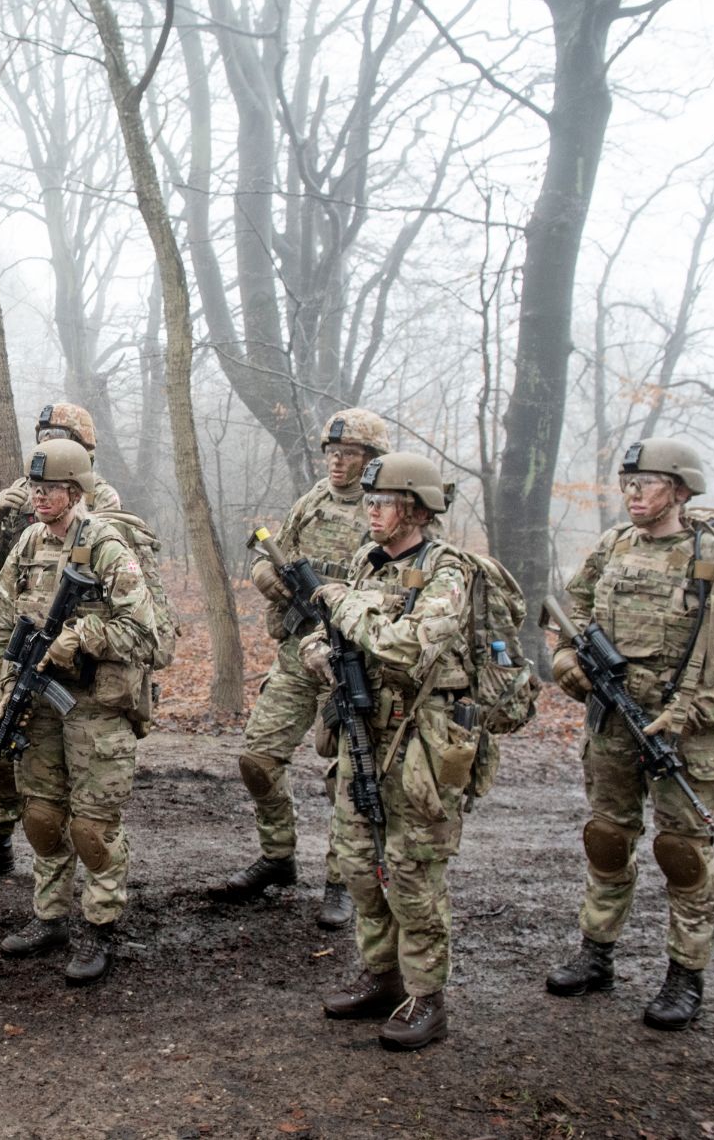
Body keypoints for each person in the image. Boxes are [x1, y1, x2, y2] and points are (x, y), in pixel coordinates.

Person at [544, 438, 714, 1030]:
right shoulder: (613, 546)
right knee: (606, 838)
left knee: (684, 854)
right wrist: (567, 661)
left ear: (679, 490)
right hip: (613, 721)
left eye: (646, 483)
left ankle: (685, 975)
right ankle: (596, 954)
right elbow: (569, 613)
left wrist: (694, 712)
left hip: (685, 733)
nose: (633, 494)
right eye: (627, 483)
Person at [304, 451, 473, 1050]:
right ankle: (381, 974)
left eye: (384, 502)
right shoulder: (366, 562)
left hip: (420, 737)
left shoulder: (446, 571)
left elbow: (408, 646)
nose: (371, 511)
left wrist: (343, 606)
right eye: (370, 501)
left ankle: (427, 997)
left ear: (417, 509)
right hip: (362, 726)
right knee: (357, 861)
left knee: (410, 869)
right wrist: (319, 652)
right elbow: (325, 631)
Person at [0, 438, 157, 984]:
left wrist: (82, 636)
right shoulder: (29, 541)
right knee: (42, 815)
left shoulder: (106, 546)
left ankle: (101, 928)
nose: (39, 497)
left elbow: (144, 633)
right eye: (35, 488)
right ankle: (49, 917)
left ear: (76, 492)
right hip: (38, 701)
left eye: (51, 489)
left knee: (92, 826)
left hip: (96, 707)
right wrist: (9, 676)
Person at [212, 408, 387, 928]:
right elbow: (272, 553)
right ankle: (278, 856)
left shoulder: (385, 509)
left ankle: (342, 879)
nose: (336, 462)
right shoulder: (312, 501)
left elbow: (395, 589)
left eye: (348, 454)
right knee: (258, 758)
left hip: (349, 661)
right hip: (295, 652)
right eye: (331, 453)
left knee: (348, 774)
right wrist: (265, 576)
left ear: (370, 458)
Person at [0, 402, 122, 886]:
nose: (49, 443)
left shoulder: (97, 498)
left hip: (76, 655)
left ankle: (75, 850)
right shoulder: (26, 491)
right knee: (3, 737)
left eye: (60, 436)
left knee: (72, 767)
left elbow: (116, 576)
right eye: (44, 435)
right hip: (18, 643)